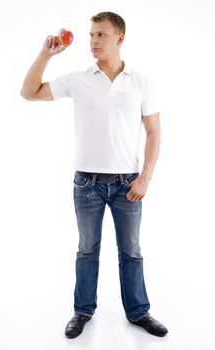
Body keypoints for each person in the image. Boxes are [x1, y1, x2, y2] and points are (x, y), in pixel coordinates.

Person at [21, 11, 168, 338]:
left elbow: (154, 133)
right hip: (86, 183)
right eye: (90, 35)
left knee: (131, 250)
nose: (93, 41)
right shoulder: (78, 78)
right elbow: (28, 92)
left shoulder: (141, 82)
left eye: (100, 35)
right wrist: (46, 54)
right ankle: (83, 310)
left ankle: (138, 312)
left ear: (119, 38)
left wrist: (145, 178)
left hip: (126, 184)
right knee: (87, 249)